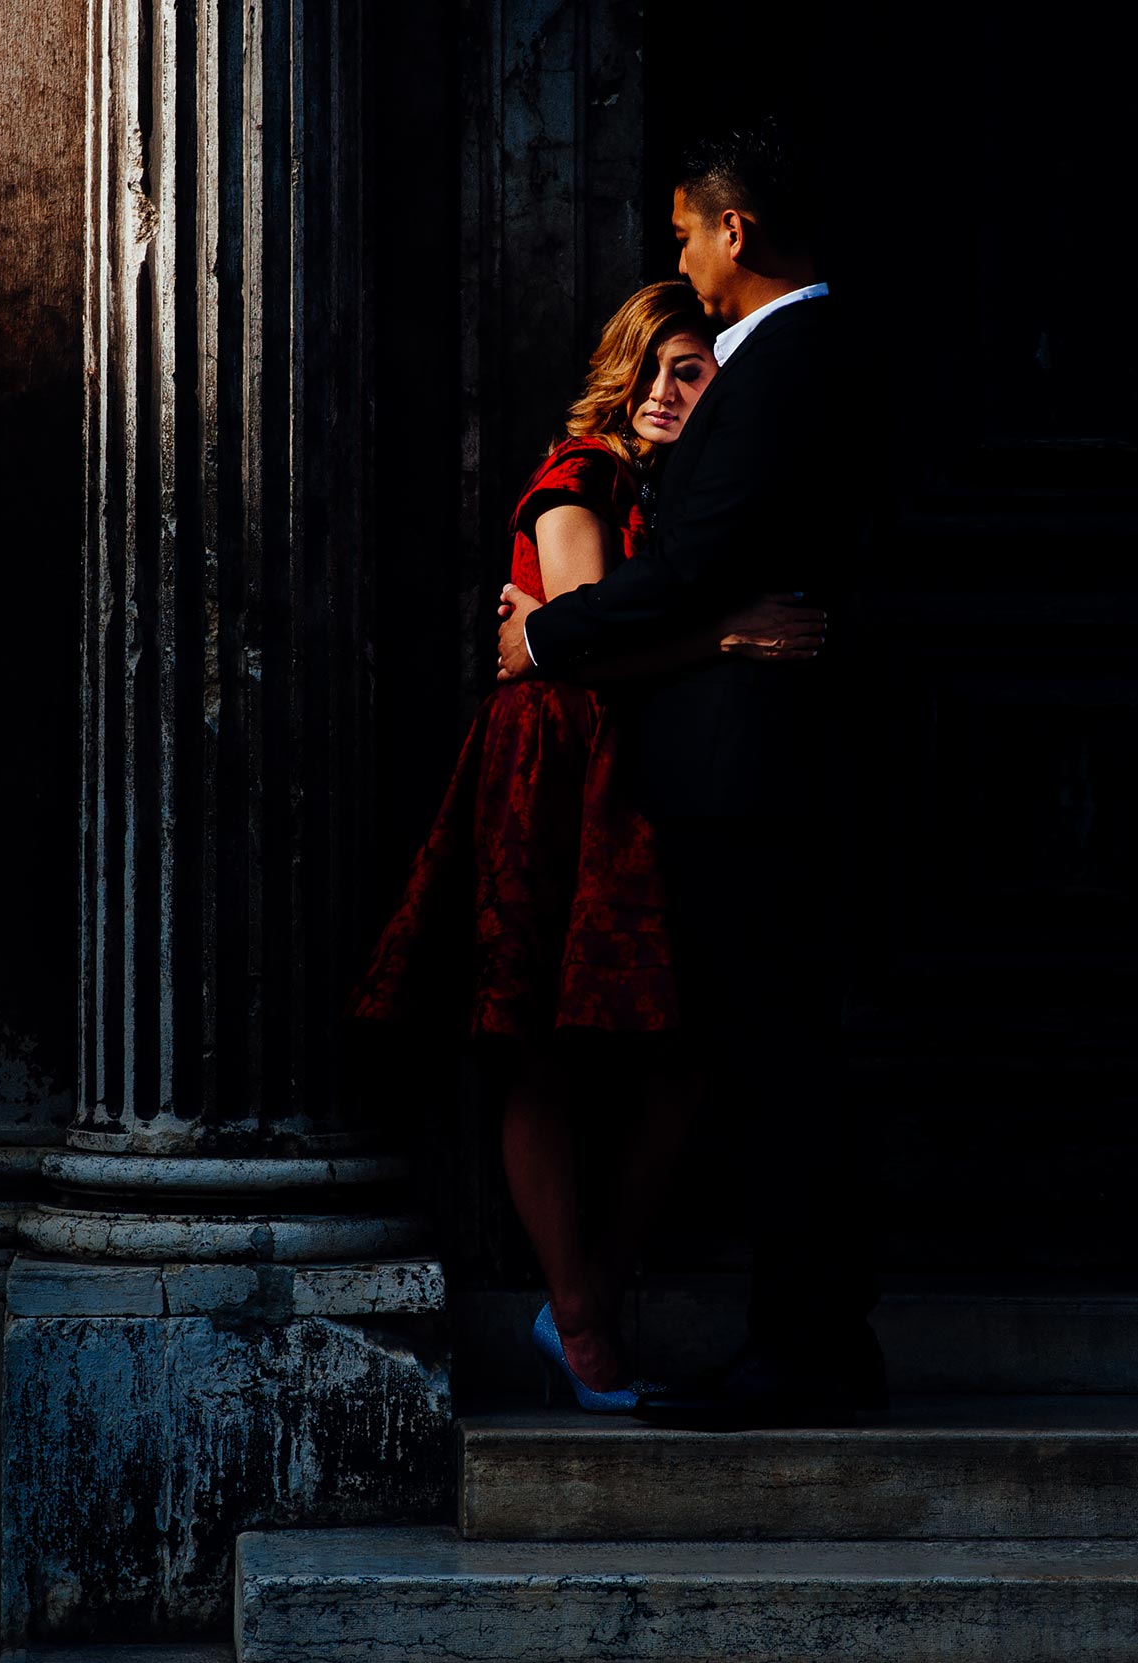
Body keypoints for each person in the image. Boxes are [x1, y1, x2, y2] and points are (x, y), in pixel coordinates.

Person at [353, 280, 823, 1412]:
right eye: (654, 367)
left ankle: (594, 1299)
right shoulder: (581, 479)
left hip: (632, 773)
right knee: (538, 1048)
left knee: (677, 1051)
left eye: (695, 370)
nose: (670, 390)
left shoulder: (681, 495)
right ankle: (578, 1318)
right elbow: (560, 647)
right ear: (619, 372)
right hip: (554, 773)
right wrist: (724, 632)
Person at [495, 120, 884, 1427]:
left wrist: (544, 630)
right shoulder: (768, 368)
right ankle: (804, 1338)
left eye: (685, 231)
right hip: (728, 767)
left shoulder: (789, 362)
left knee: (775, 1066)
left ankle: (805, 1349)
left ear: (738, 231)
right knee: (767, 1061)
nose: (679, 256)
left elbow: (699, 558)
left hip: (751, 777)